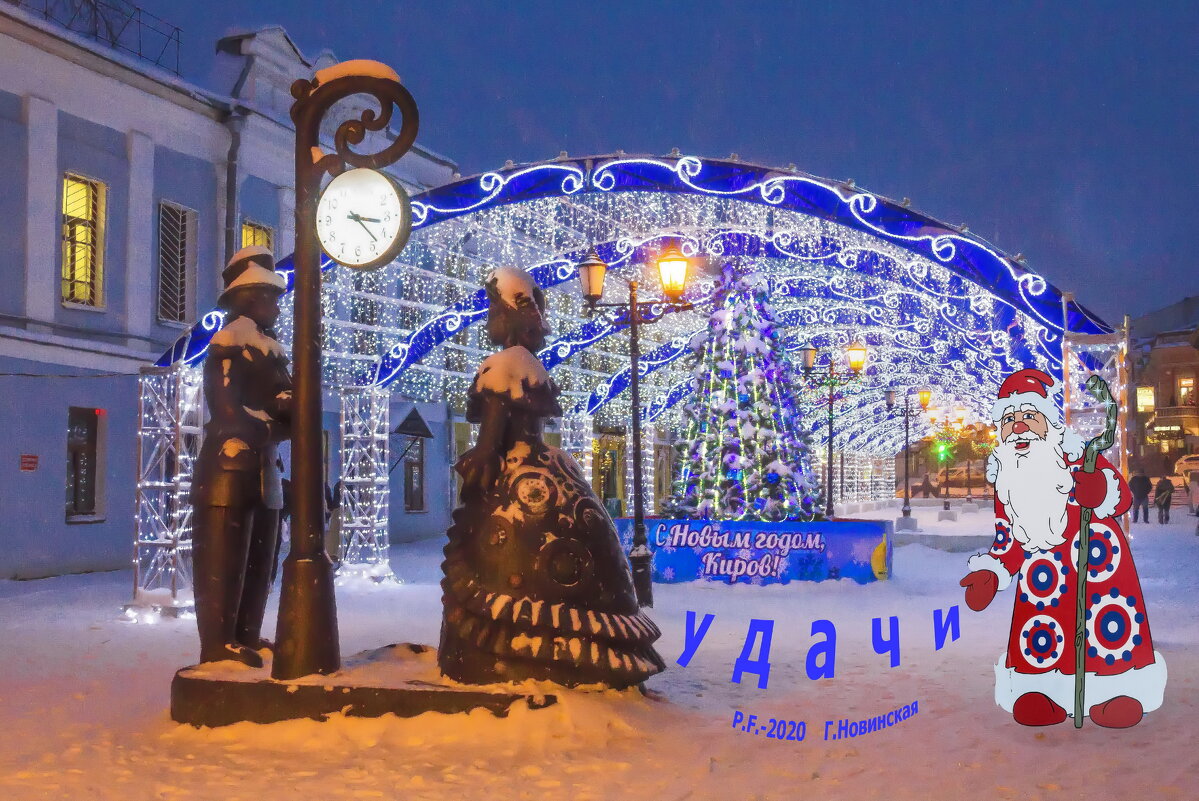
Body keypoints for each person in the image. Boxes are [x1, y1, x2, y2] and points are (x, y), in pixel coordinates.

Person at [439, 266, 665, 688]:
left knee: (499, 558)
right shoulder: (532, 366)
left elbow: (492, 437)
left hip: (514, 475)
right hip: (545, 468)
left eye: (492, 309)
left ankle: (503, 652)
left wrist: (479, 463)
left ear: (507, 315)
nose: (488, 319)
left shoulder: (503, 365)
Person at [958, 369, 1165, 728]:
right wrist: (992, 573)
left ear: (1048, 421)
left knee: (1107, 633)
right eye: (1008, 419)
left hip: (1100, 574)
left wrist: (1099, 490)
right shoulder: (1006, 479)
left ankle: (1116, 691)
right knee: (1042, 638)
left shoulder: (1081, 457)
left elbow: (1121, 497)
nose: (1018, 427)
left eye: (1027, 416)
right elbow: (1007, 540)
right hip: (1043, 584)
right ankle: (1042, 693)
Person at [190, 247, 291, 667]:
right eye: (270, 297)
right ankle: (218, 641)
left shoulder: (269, 349)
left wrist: (284, 413)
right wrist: (273, 422)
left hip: (264, 470)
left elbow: (290, 415)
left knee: (260, 558)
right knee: (225, 558)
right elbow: (228, 412)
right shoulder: (231, 343)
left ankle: (247, 632)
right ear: (247, 298)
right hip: (229, 468)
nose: (277, 306)